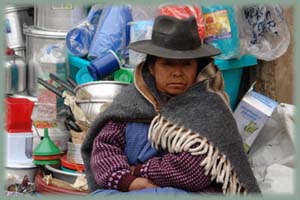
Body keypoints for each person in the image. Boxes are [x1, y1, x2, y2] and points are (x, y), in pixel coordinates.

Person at [81, 15, 261, 195]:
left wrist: (139, 171)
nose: (177, 73)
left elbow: (195, 171)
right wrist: (128, 181)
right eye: (167, 64)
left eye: (186, 65)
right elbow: (104, 148)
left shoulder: (211, 108)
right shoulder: (131, 102)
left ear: (198, 69)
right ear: (151, 68)